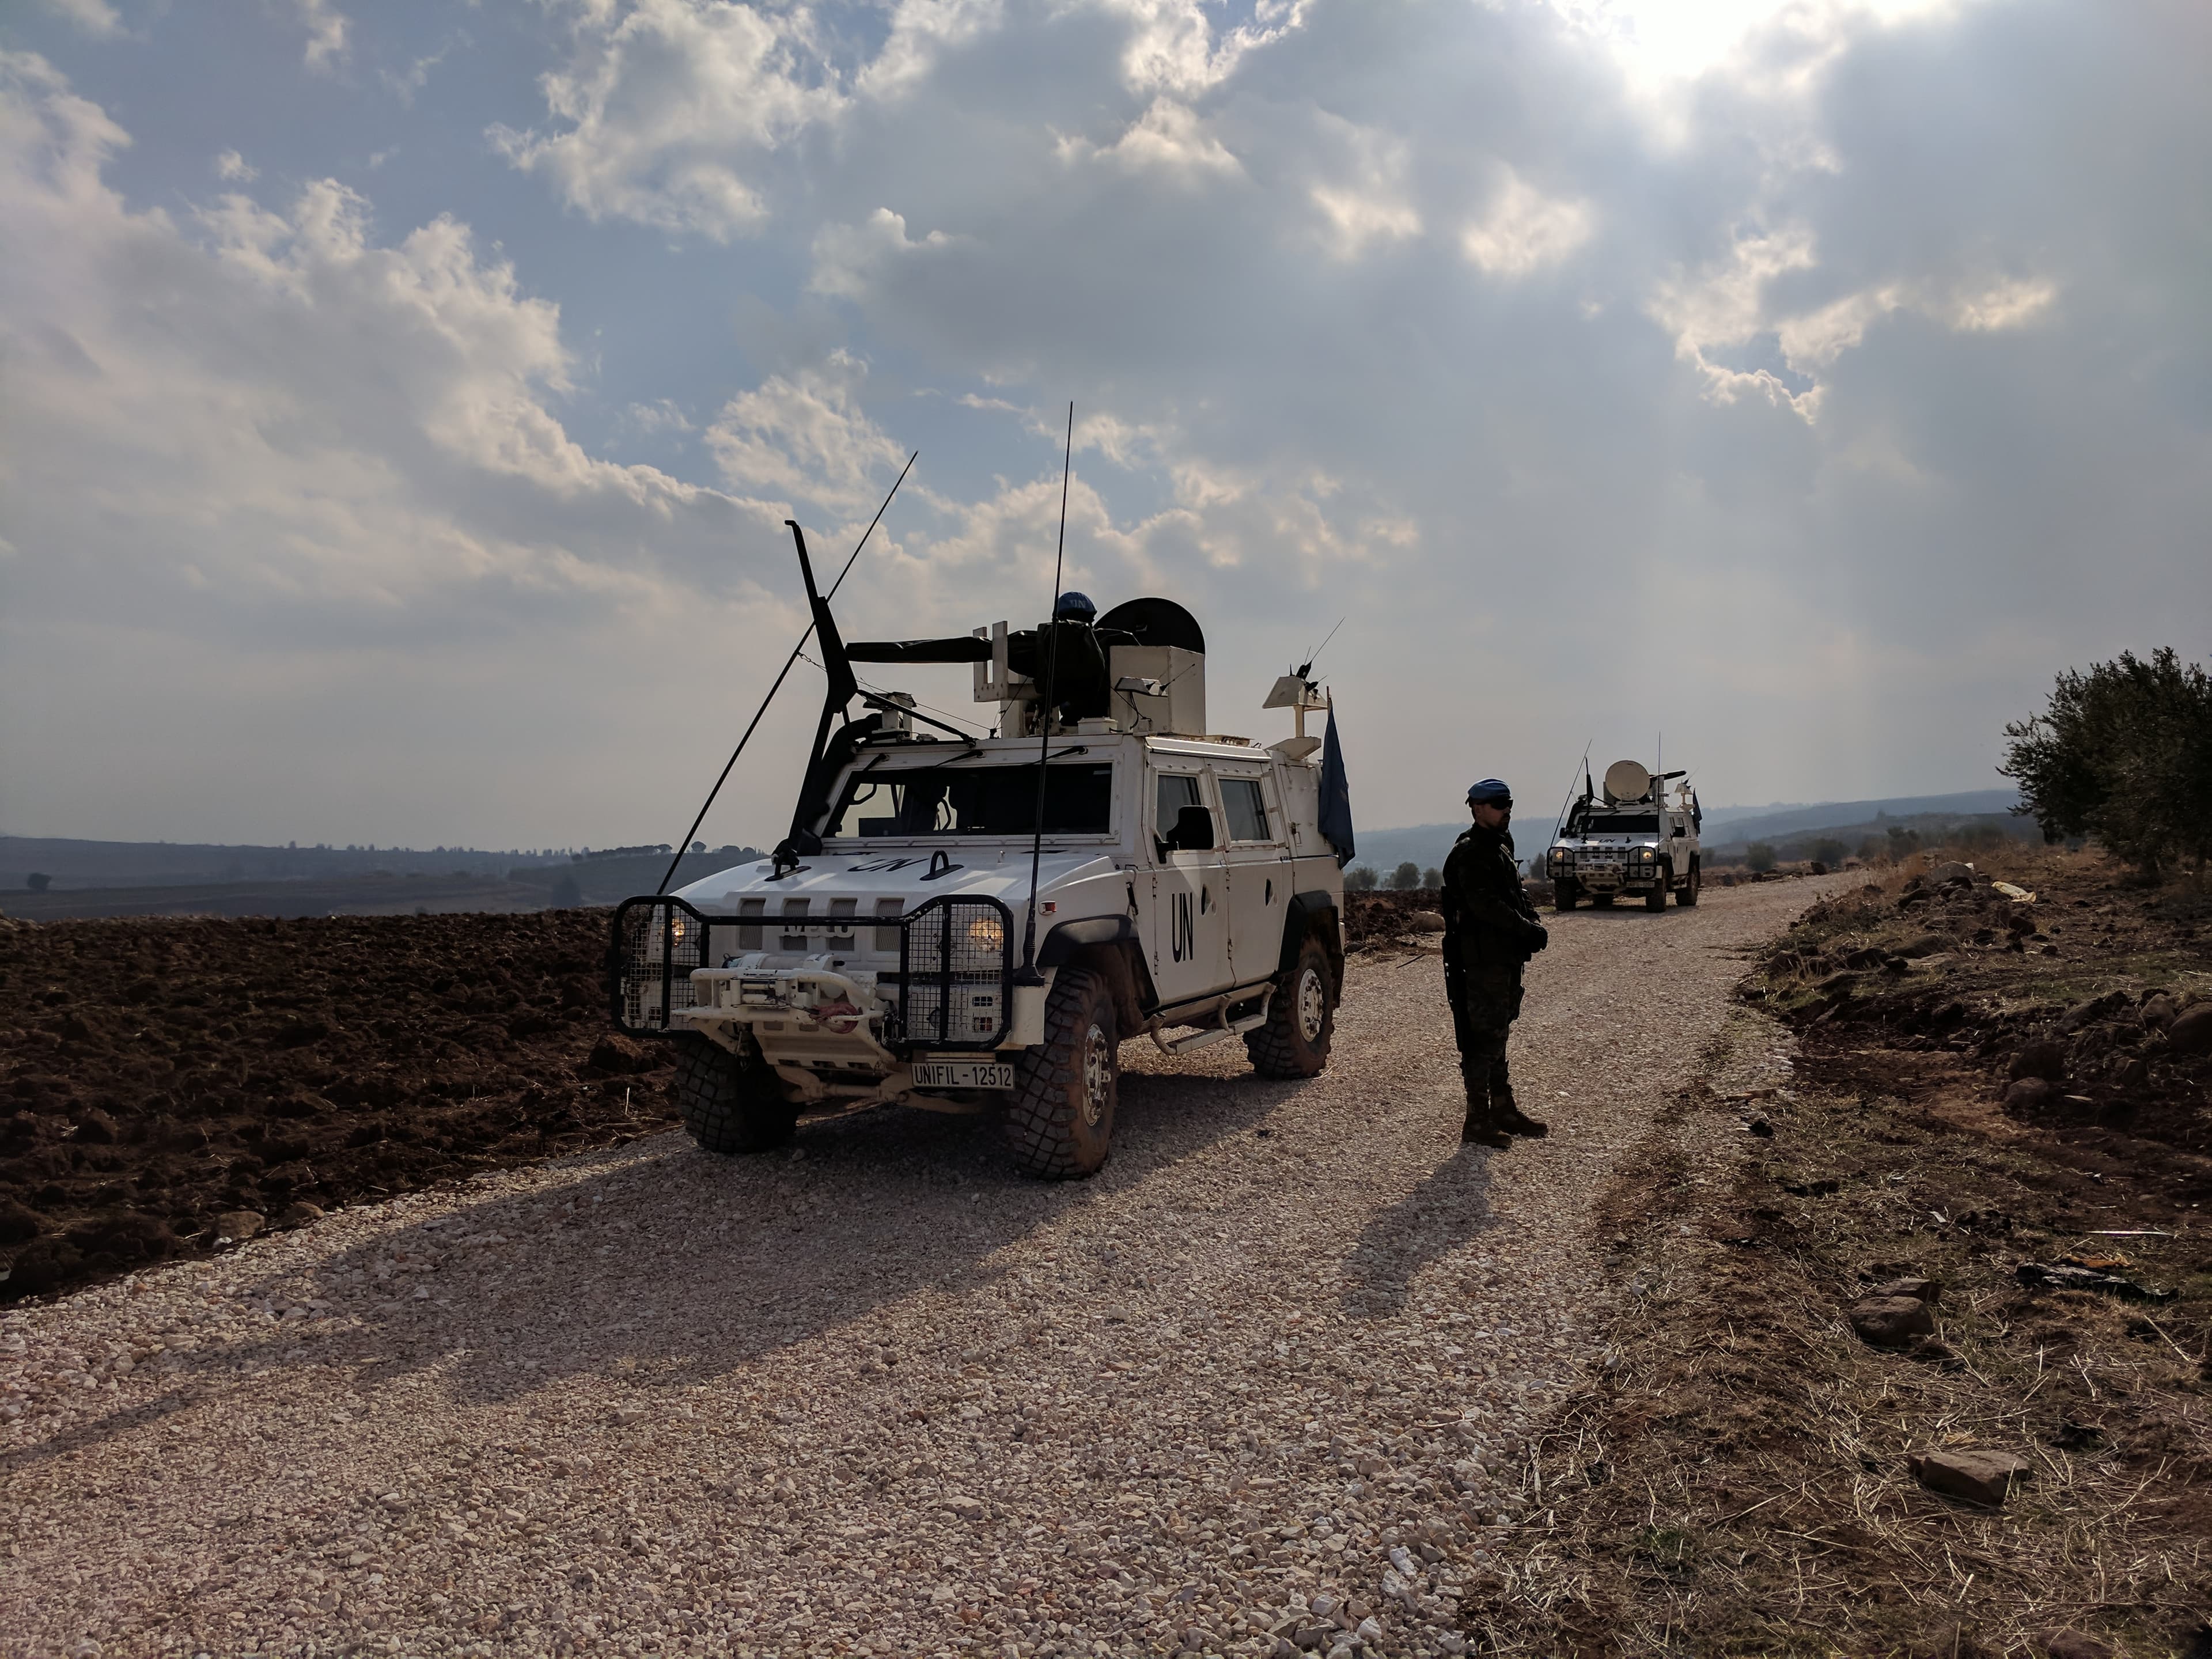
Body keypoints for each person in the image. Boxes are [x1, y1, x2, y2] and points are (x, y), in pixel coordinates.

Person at [1440, 779, 1550, 1147]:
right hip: (1479, 959)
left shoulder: (1501, 845)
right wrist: (1524, 930)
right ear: (1477, 808)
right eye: (1499, 804)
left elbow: (1517, 892)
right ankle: (1477, 1120)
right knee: (1480, 1038)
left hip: (1502, 957)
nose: (1507, 810)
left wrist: (1532, 923)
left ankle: (1503, 1108)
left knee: (1499, 1032)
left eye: (1509, 803)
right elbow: (1485, 906)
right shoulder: (1469, 853)